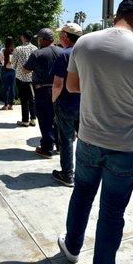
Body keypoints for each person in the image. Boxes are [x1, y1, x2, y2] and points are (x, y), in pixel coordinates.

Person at [58, 0, 133, 264]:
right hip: (126, 146)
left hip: (89, 138)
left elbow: (71, 86)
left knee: (82, 194)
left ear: (116, 14)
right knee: (112, 212)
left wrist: (96, 87)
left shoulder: (85, 42)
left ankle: (72, 247)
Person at [50, 23, 82, 187]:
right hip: (84, 104)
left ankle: (67, 174)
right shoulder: (86, 54)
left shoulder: (64, 55)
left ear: (65, 36)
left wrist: (53, 101)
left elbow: (57, 84)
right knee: (85, 139)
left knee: (67, 139)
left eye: (61, 34)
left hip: (66, 103)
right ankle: (83, 173)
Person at [24, 28, 62, 158]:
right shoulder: (62, 51)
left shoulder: (38, 54)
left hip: (43, 90)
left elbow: (25, 70)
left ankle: (47, 149)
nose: (38, 40)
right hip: (60, 89)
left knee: (45, 119)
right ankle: (61, 146)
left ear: (42, 39)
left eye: (39, 38)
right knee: (58, 118)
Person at [12, 30, 38, 126]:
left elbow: (14, 64)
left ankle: (25, 120)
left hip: (21, 78)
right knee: (32, 98)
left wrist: (15, 67)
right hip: (32, 78)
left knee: (24, 99)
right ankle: (33, 118)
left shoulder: (18, 49)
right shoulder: (35, 48)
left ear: (24, 37)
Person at [0, 36, 16, 110]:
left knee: (5, 87)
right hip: (12, 70)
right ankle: (11, 105)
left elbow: (1, 61)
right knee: (12, 87)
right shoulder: (14, 50)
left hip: (4, 69)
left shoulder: (3, 50)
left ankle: (5, 105)